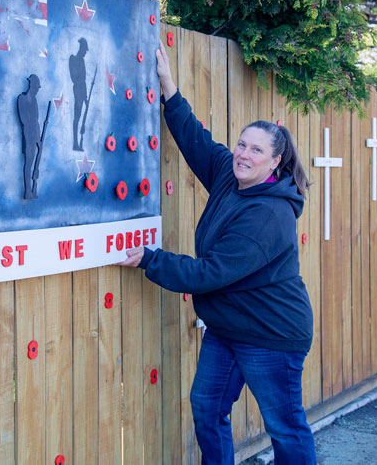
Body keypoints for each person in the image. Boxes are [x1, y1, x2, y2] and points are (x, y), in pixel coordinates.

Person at [119, 41, 316, 464]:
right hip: (228, 326)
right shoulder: (232, 175)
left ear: (275, 161)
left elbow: (210, 273)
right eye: (242, 144)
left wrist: (152, 259)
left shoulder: (270, 216)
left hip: (272, 334)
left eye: (256, 150)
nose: (243, 154)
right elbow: (197, 142)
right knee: (207, 408)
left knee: (285, 426)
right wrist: (169, 88)